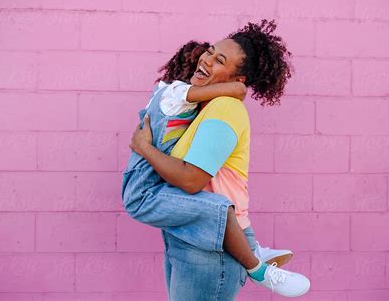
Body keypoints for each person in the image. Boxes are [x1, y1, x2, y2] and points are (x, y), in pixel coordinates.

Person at [125, 19, 311, 299]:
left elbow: (191, 179)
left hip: (211, 249)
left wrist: (144, 148)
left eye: (219, 59)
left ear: (238, 80)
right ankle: (253, 250)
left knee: (220, 207)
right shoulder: (198, 108)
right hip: (192, 237)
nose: (207, 59)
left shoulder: (223, 108)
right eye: (210, 51)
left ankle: (256, 265)